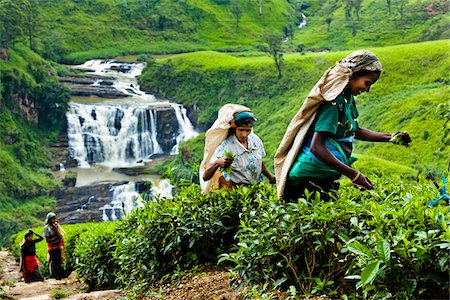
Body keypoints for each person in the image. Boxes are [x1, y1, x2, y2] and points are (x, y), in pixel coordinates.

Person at [274, 50, 411, 201]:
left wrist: (390, 137)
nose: (367, 89)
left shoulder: (347, 98)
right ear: (353, 76)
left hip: (323, 175)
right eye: (367, 83)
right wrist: (354, 175)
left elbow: (354, 130)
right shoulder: (333, 102)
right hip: (309, 178)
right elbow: (316, 147)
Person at [200, 104, 276, 193]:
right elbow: (205, 177)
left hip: (257, 189)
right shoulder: (226, 147)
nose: (244, 134)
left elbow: (258, 162)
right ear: (234, 128)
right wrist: (217, 163)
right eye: (241, 130)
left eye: (248, 130)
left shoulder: (255, 141)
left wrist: (270, 177)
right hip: (237, 193)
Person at [44, 212, 65, 280]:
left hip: (58, 246)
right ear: (49, 220)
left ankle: (59, 275)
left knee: (59, 261)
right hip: (52, 247)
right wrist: (55, 239)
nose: (55, 220)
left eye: (55, 218)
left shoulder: (55, 226)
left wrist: (56, 229)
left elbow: (61, 236)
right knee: (54, 261)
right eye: (53, 219)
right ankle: (55, 275)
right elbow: (47, 239)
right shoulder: (47, 228)